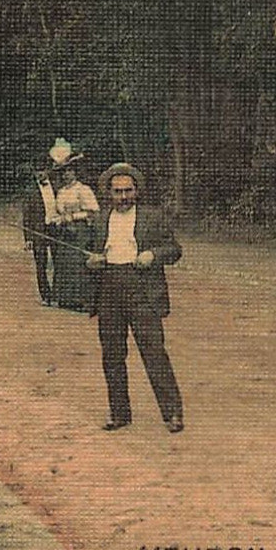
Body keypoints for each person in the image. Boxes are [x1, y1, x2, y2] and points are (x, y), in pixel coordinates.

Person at [84, 163, 184, 433]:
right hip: (109, 292)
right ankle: (119, 413)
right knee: (112, 356)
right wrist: (92, 261)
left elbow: (174, 249)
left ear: (137, 191)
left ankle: (172, 414)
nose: (123, 197)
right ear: (109, 193)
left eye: (128, 190)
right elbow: (89, 254)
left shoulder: (153, 217)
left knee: (154, 354)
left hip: (143, 293)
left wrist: (153, 255)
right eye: (118, 192)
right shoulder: (100, 220)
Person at [46, 139, 99, 311]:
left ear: (75, 172)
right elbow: (57, 212)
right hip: (65, 233)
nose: (66, 175)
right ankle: (65, 299)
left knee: (79, 263)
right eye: (64, 172)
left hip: (80, 232)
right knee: (64, 263)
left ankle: (83, 301)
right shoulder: (61, 192)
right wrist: (58, 220)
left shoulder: (83, 190)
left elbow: (92, 212)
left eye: (69, 171)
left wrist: (74, 217)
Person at [21, 154, 60, 307]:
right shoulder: (30, 191)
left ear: (48, 170)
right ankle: (45, 295)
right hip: (38, 231)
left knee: (59, 262)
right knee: (41, 264)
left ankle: (57, 294)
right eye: (37, 171)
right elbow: (26, 216)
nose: (40, 173)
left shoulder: (57, 187)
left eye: (42, 170)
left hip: (55, 229)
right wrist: (28, 238)